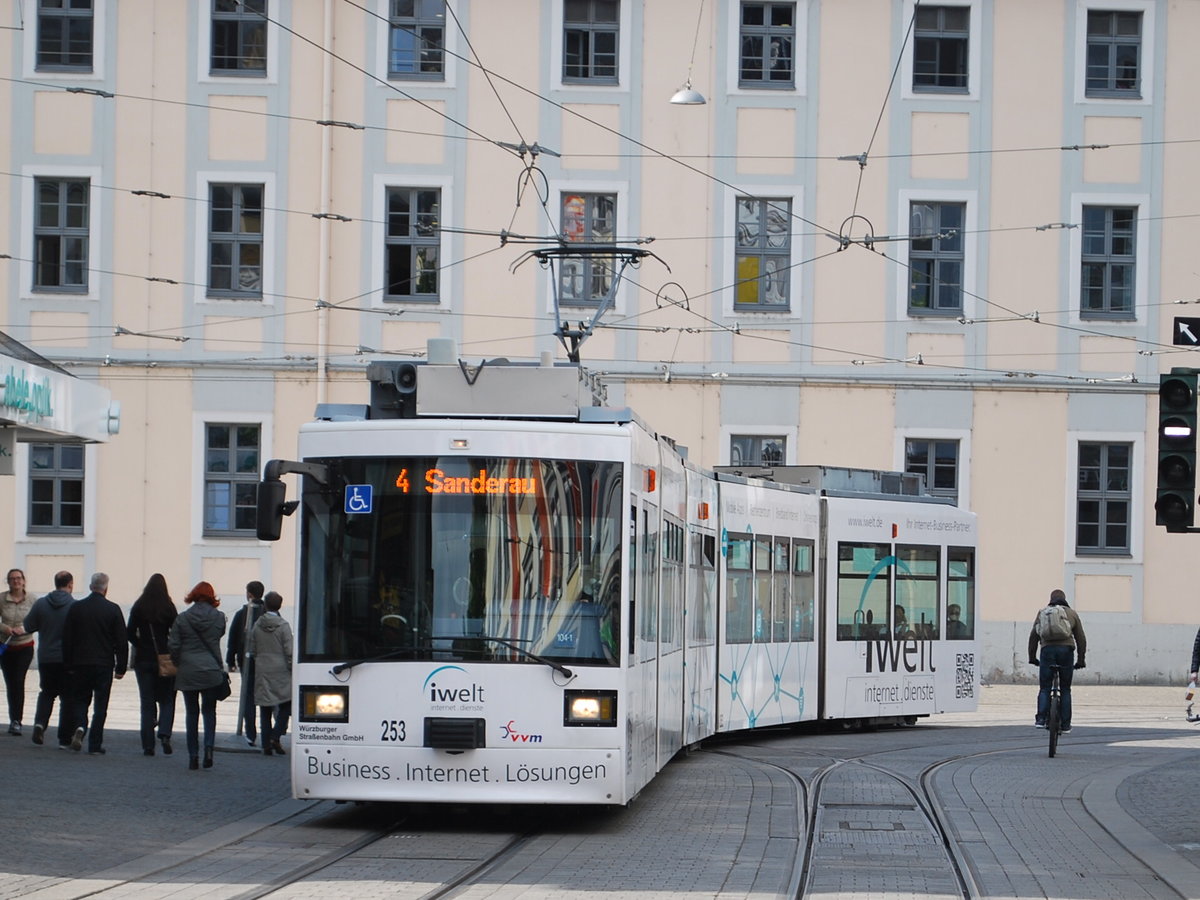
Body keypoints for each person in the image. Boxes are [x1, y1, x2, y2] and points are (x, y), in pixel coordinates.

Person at [61, 573, 128, 755]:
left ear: (90, 587)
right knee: (101, 705)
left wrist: (68, 663)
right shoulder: (113, 609)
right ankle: (95, 744)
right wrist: (121, 666)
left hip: (80, 663)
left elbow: (67, 638)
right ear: (106, 588)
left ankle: (81, 726)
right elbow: (121, 641)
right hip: (103, 664)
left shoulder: (76, 608)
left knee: (81, 699)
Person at [169, 581, 227, 770]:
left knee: (191, 713)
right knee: (209, 711)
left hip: (188, 671)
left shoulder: (183, 618)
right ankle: (209, 748)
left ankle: (193, 756)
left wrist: (179, 662)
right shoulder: (219, 618)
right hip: (211, 670)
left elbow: (174, 645)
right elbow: (218, 636)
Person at [126, 574, 179, 756]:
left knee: (147, 702)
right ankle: (164, 734)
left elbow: (130, 632)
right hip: (164, 657)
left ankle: (148, 745)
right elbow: (176, 631)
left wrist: (141, 644)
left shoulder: (140, 606)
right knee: (166, 699)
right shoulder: (168, 607)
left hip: (144, 658)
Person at [22, 571, 76, 747]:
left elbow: (29, 625)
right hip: (67, 658)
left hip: (45, 656)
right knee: (67, 697)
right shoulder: (75, 606)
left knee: (46, 693)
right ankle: (64, 738)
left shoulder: (41, 604)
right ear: (70, 584)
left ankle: (40, 724)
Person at [1028, 588, 1087, 732]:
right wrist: (1080, 660)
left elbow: (1033, 637)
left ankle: (1041, 719)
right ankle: (1066, 725)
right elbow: (1081, 638)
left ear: (1050, 599)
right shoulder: (1071, 613)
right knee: (1065, 689)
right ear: (1065, 599)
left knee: (1045, 688)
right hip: (1066, 651)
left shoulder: (1043, 613)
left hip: (1047, 651)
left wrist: (1032, 658)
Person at [247, 590, 292, 756]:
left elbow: (252, 649)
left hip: (263, 669)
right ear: (280, 605)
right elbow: (290, 651)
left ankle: (266, 745)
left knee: (265, 708)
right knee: (286, 705)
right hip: (281, 671)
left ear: (265, 605)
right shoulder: (283, 625)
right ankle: (276, 735)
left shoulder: (257, 625)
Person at [226, 580, 265, 747]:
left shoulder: (242, 613)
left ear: (249, 593)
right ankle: (269, 734)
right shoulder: (267, 612)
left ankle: (250, 733)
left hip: (246, 660)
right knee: (265, 697)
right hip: (265, 662)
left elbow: (233, 638)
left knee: (248, 695)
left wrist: (230, 660)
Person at [0, 569, 36, 735]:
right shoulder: (1, 598)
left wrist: (24, 629)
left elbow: (37, 621)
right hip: (5, 645)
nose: (16, 581)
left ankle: (17, 720)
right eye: (12, 579)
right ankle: (13, 717)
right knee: (10, 682)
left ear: (24, 580)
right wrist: (5, 628)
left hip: (24, 646)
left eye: (18, 578)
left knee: (18, 680)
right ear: (8, 582)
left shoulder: (32, 600)